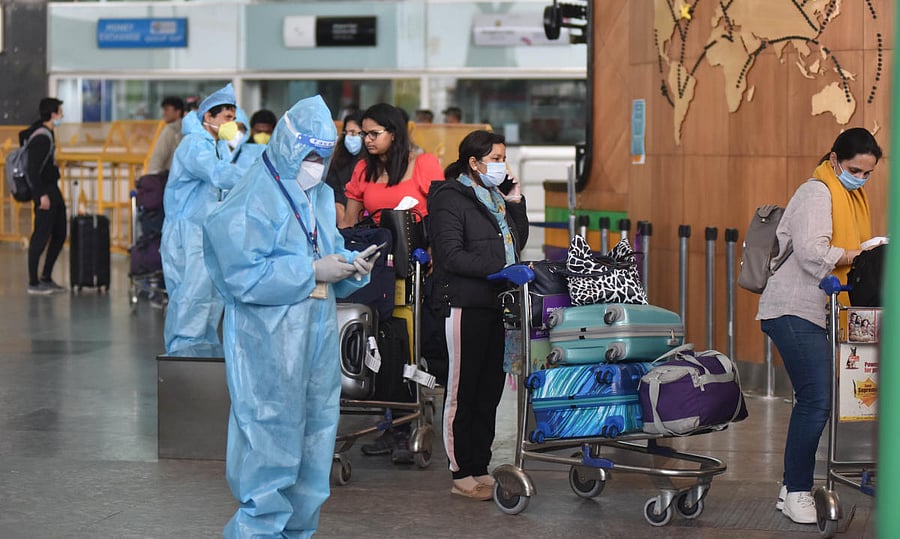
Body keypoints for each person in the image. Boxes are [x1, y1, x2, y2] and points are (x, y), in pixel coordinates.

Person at [203, 95, 378, 539]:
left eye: (324, 154)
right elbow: (241, 274)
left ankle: (298, 532)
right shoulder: (253, 193)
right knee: (270, 436)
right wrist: (310, 271)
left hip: (315, 333)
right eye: (310, 154)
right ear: (287, 145)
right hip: (267, 338)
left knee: (316, 439)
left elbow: (325, 254)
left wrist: (349, 267)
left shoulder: (318, 194)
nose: (316, 164)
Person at [758, 127, 882, 525]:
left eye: (867, 173)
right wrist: (860, 252)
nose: (861, 179)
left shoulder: (849, 195)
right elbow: (814, 254)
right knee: (816, 400)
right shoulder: (817, 192)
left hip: (819, 311)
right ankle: (797, 491)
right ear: (834, 161)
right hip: (793, 309)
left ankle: (787, 488)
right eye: (854, 170)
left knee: (819, 400)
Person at [427, 130, 528, 500]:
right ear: (474, 162)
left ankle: (479, 465)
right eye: (495, 159)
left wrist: (515, 202)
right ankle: (460, 473)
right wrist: (497, 270)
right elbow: (452, 255)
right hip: (464, 304)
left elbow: (516, 243)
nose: (501, 165)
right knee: (462, 391)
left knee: (489, 390)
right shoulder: (449, 198)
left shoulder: (493, 197)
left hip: (495, 303)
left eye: (503, 157)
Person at [160, 83, 258, 353]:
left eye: (235, 117)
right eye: (228, 118)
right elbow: (219, 175)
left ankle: (201, 351)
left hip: (205, 232)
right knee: (192, 296)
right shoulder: (194, 145)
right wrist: (258, 174)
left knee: (209, 295)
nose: (233, 123)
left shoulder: (215, 146)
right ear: (208, 118)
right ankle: (183, 354)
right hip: (187, 233)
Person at [340, 103, 443, 228]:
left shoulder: (424, 163)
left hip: (419, 243)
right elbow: (348, 222)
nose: (367, 140)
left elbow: (443, 215)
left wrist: (432, 247)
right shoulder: (363, 168)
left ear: (393, 134)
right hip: (378, 242)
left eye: (375, 133)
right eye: (364, 134)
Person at [23, 97, 67, 295]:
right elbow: (32, 170)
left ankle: (46, 276)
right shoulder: (41, 137)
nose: (62, 115)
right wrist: (41, 195)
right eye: (60, 111)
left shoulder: (48, 133)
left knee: (59, 232)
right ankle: (33, 282)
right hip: (44, 191)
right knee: (40, 236)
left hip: (52, 189)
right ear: (53, 114)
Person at [325, 112, 364, 225]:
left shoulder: (370, 162)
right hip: (341, 221)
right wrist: (345, 228)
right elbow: (335, 194)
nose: (348, 137)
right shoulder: (338, 160)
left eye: (353, 133)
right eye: (346, 133)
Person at [146, 96, 186, 174]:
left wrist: (152, 176)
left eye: (167, 110)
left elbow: (159, 154)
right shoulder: (187, 128)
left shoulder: (171, 129)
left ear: (178, 112)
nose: (164, 113)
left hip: (168, 177)